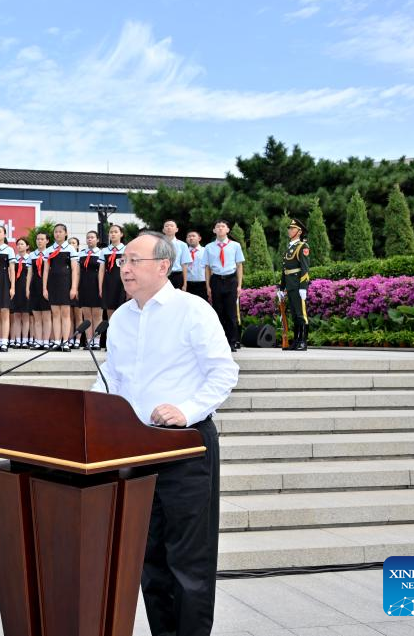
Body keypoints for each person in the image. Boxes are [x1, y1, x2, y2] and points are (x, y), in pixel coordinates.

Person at [91, 231, 239, 636]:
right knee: (150, 561)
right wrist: (88, 409)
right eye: (122, 261)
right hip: (135, 449)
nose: (124, 268)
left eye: (133, 261)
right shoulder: (121, 318)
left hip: (184, 447)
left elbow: (224, 372)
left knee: (188, 561)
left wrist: (186, 410)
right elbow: (112, 379)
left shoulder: (193, 310)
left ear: (162, 266)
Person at [204, 220, 245, 352]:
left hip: (231, 280)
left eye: (223, 226)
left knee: (231, 313)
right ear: (214, 230)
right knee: (218, 312)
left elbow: (239, 266)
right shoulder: (209, 247)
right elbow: (207, 268)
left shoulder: (235, 246)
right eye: (218, 227)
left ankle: (232, 342)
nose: (220, 229)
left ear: (228, 230)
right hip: (216, 280)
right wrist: (208, 286)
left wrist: (239, 285)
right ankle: (219, 342)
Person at [43, 224, 79, 351]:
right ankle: (57, 341)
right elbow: (46, 270)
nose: (57, 234)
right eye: (56, 232)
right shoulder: (49, 250)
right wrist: (44, 288)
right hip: (53, 284)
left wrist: (74, 287)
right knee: (55, 314)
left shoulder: (70, 249)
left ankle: (66, 342)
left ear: (65, 233)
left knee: (65, 313)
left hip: (66, 283)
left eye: (60, 231)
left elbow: (74, 270)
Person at [278, 217, 311, 351]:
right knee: (294, 314)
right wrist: (281, 287)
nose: (290, 230)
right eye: (289, 228)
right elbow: (285, 270)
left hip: (298, 285)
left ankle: (303, 341)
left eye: (292, 229)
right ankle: (296, 341)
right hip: (290, 285)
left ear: (299, 232)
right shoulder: (289, 248)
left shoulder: (303, 246)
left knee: (301, 314)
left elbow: (305, 269)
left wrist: (303, 287)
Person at [99, 224, 126, 350]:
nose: (113, 234)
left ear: (121, 234)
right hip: (108, 284)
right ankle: (111, 343)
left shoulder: (126, 249)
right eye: (111, 232)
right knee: (110, 314)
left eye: (116, 232)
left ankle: (122, 343)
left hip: (121, 284)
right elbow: (101, 270)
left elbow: (127, 268)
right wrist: (100, 287)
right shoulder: (104, 251)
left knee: (122, 313)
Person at [76, 230, 103, 349]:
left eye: (92, 237)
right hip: (84, 285)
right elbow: (77, 272)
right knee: (87, 315)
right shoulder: (81, 254)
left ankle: (96, 342)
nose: (90, 239)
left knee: (97, 315)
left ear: (97, 240)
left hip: (96, 285)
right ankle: (89, 341)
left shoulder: (101, 253)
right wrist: (76, 287)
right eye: (88, 237)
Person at [27, 231, 52, 350]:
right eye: (38, 239)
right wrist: (27, 288)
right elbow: (29, 273)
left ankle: (46, 341)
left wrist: (47, 288)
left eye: (42, 239)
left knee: (46, 316)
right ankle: (38, 341)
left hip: (47, 286)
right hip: (35, 286)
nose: (39, 241)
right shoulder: (32, 255)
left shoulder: (50, 253)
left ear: (47, 241)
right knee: (36, 317)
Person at [10, 237, 31, 349]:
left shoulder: (30, 258)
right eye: (18, 244)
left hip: (26, 289)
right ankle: (18, 340)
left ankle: (25, 340)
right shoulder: (14, 259)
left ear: (27, 246)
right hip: (16, 289)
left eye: (22, 244)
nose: (19, 246)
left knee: (26, 316)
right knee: (17, 315)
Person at [163, 220, 192, 290]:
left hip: (177, 276)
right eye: (166, 226)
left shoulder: (182, 245)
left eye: (171, 226)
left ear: (176, 229)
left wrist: (185, 283)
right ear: (163, 230)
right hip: (162, 274)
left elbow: (184, 265)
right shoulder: (157, 244)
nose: (169, 227)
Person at [185, 231, 208, 302]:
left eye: (193, 236)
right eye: (189, 236)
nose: (191, 238)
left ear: (199, 238)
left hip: (202, 283)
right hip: (187, 283)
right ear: (186, 239)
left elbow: (210, 268)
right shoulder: (184, 252)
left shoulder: (205, 251)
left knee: (202, 304)